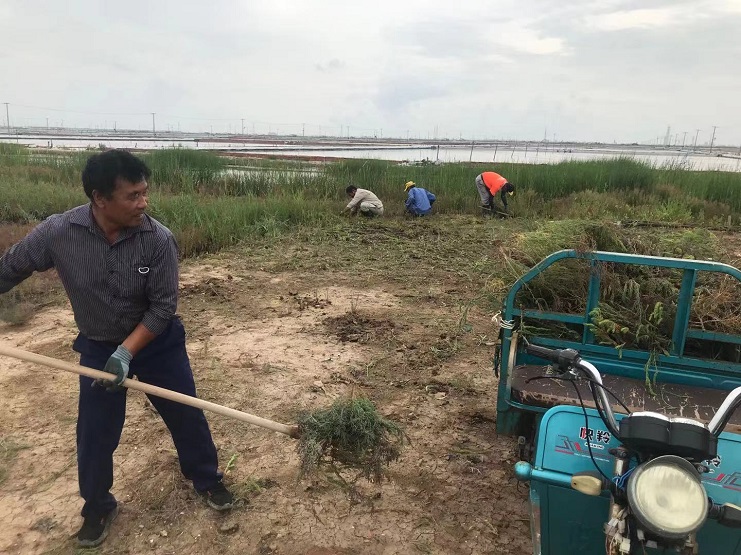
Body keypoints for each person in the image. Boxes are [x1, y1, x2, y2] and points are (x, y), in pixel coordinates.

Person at [0, 150, 234, 548]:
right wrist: (112, 352)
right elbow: (9, 268)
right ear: (99, 198)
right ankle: (97, 506)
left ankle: (207, 478)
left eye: (145, 193)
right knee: (94, 432)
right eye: (133, 195)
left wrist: (126, 352)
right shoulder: (58, 232)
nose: (143, 203)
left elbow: (163, 307)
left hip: (157, 345)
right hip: (97, 345)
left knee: (185, 413)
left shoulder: (157, 239)